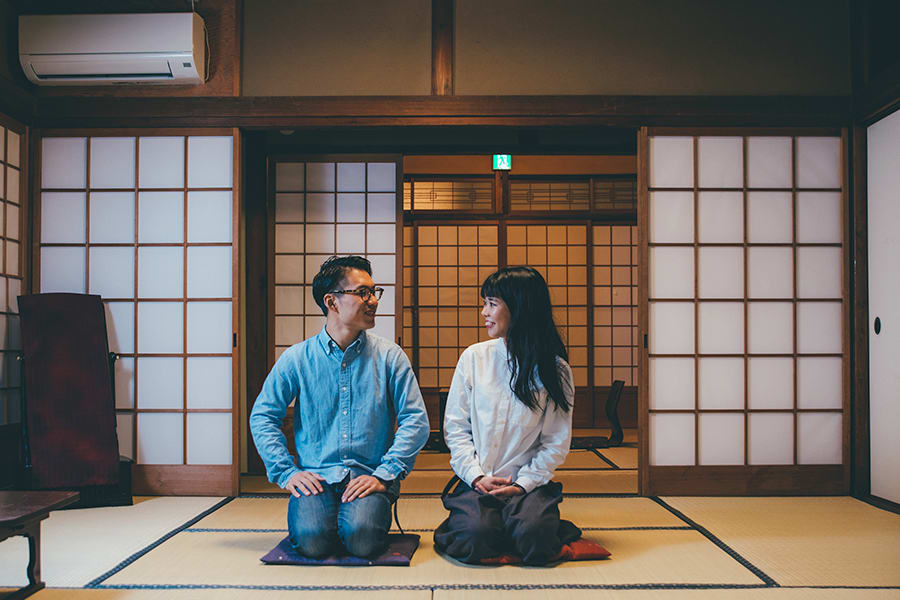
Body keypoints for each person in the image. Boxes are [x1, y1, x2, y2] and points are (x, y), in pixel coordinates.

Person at [250, 255, 429, 558]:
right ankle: (325, 518)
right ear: (331, 302)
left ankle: (355, 519)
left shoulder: (390, 357)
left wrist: (385, 474)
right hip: (316, 477)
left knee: (362, 540)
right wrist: (287, 472)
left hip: (369, 475)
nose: (373, 300)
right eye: (363, 293)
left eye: (374, 292)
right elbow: (263, 416)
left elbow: (416, 420)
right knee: (312, 542)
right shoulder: (297, 358)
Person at [434, 266, 580, 565]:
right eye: (484, 303)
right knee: (476, 536)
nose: (483, 312)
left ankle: (523, 519)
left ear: (520, 308)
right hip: (478, 480)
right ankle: (487, 519)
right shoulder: (475, 357)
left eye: (492, 304)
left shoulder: (556, 370)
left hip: (526, 483)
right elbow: (456, 428)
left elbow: (555, 442)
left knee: (535, 537)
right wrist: (476, 476)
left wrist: (523, 483)